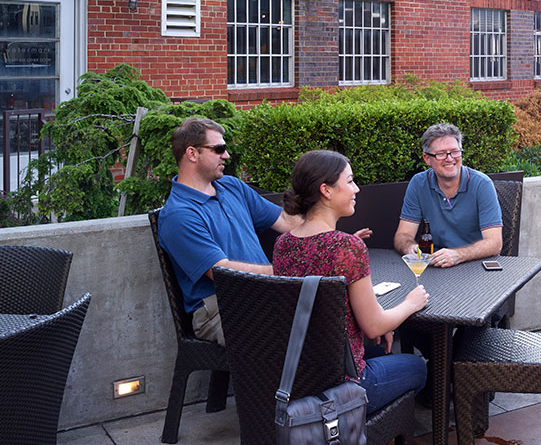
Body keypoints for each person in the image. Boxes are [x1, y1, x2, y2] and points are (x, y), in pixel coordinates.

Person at [272, 150, 428, 413]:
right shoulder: (346, 246)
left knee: (384, 353)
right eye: (351, 181)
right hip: (345, 384)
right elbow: (374, 326)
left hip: (299, 374)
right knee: (418, 368)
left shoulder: (283, 244)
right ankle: (370, 427)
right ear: (326, 190)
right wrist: (411, 303)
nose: (356, 189)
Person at [158, 117, 297, 345]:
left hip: (265, 292)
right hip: (222, 307)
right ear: (192, 154)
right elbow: (222, 272)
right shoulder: (179, 215)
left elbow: (285, 221)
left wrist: (332, 240)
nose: (227, 155)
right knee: (301, 333)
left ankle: (358, 374)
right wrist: (285, 272)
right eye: (219, 149)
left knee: (336, 310)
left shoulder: (231, 186)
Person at [394, 123, 502, 266]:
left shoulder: (482, 184)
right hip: (436, 266)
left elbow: (495, 243)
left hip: (475, 267)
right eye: (441, 154)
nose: (450, 158)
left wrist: (458, 255)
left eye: (455, 151)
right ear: (427, 159)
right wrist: (410, 248)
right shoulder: (418, 183)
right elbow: (403, 235)